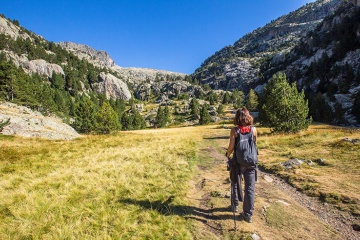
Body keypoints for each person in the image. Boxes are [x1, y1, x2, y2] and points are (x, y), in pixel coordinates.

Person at [226, 107, 257, 223]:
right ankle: (248, 214)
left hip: (239, 162)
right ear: (248, 116)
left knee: (234, 182)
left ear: (237, 118)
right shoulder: (254, 129)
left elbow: (231, 147)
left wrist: (227, 154)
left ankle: (234, 205)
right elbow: (255, 145)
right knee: (250, 188)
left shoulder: (235, 130)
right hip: (252, 161)